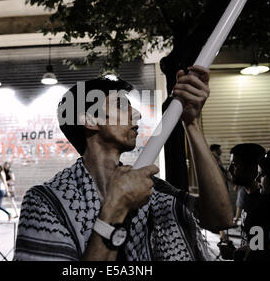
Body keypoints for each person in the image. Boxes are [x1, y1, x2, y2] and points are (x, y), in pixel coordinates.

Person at [14, 66, 234, 261]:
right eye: (121, 105)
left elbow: (219, 219)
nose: (136, 114)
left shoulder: (154, 190)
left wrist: (192, 122)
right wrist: (116, 208)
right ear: (90, 120)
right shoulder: (45, 202)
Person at [218, 143, 270, 261]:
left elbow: (261, 251)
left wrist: (235, 255)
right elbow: (253, 245)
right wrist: (235, 252)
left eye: (235, 165)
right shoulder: (247, 195)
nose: (230, 170)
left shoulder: (266, 202)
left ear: (252, 167)